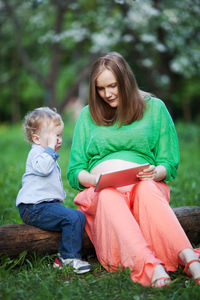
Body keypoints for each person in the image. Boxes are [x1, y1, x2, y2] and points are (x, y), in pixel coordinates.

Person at [67, 52, 200, 287]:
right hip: (103, 190)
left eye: (113, 86)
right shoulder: (88, 115)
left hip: (144, 185)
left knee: (147, 188)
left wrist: (156, 173)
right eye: (100, 88)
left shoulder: (154, 108)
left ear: (126, 80)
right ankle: (149, 266)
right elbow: (75, 170)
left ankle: (189, 257)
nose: (107, 94)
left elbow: (168, 162)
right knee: (108, 195)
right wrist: (95, 179)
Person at [16, 107, 92, 274]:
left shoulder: (46, 154)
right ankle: (67, 258)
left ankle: (65, 254)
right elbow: (43, 168)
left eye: (60, 135)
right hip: (33, 208)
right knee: (73, 217)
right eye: (54, 136)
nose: (58, 140)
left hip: (42, 207)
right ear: (36, 138)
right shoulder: (37, 153)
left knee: (77, 216)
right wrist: (50, 149)